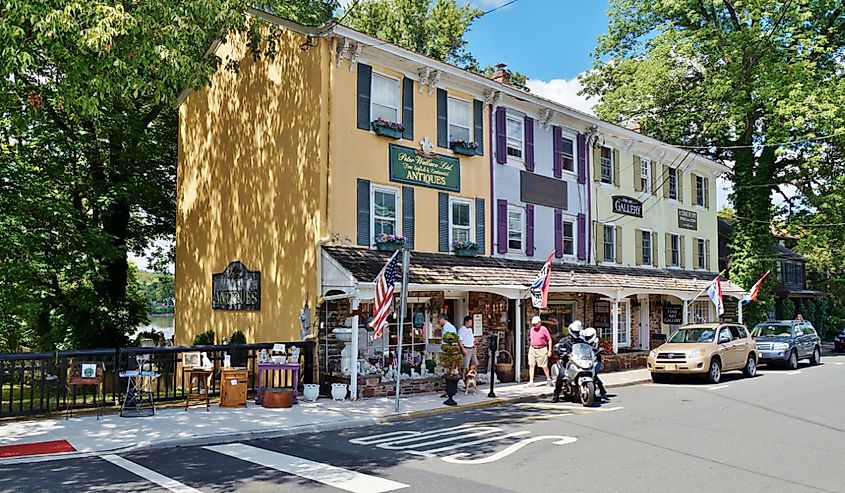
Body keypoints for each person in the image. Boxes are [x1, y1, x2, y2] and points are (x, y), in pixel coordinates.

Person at [552, 321, 583, 402]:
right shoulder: (565, 340)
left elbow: (586, 347)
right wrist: (562, 352)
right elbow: (558, 347)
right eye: (575, 332)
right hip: (567, 361)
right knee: (561, 375)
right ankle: (556, 394)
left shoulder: (580, 340)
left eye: (577, 332)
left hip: (579, 361)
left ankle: (592, 393)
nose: (576, 334)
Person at [581, 327, 607, 399]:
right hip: (587, 360)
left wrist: (598, 350)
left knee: (593, 375)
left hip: (595, 360)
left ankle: (597, 391)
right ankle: (600, 390)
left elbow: (600, 349)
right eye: (587, 337)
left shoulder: (596, 342)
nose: (587, 338)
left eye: (589, 337)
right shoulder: (584, 342)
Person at [527, 315, 553, 387]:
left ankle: (548, 379)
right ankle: (531, 381)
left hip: (542, 348)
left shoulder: (543, 329)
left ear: (539, 323)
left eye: (535, 324)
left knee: (544, 365)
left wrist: (549, 350)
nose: (534, 325)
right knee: (531, 365)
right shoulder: (532, 329)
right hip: (533, 348)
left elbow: (549, 339)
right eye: (533, 324)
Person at [458, 316, 478, 383]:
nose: (471, 323)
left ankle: (469, 374)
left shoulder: (470, 329)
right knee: (465, 365)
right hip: (466, 348)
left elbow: (472, 339)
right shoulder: (461, 330)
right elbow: (460, 340)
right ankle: (463, 378)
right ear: (466, 322)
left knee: (475, 362)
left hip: (471, 348)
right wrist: (463, 349)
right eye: (470, 322)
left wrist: (474, 346)